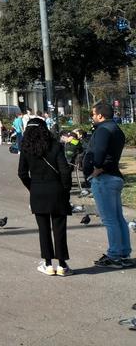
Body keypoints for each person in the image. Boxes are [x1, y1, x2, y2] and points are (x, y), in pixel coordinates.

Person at [18, 117, 73, 276]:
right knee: (60, 228)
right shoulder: (55, 146)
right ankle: (62, 265)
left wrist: (32, 187)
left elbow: (22, 173)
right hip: (57, 190)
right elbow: (64, 170)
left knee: (43, 229)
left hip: (37, 191)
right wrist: (66, 189)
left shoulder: (26, 148)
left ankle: (48, 264)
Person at [84, 101, 132, 268]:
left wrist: (96, 168)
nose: (92, 117)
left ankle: (114, 255)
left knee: (110, 219)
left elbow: (100, 152)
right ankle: (123, 252)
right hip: (114, 177)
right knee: (118, 218)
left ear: (100, 115)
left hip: (104, 178)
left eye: (93, 114)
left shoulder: (103, 129)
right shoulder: (116, 130)